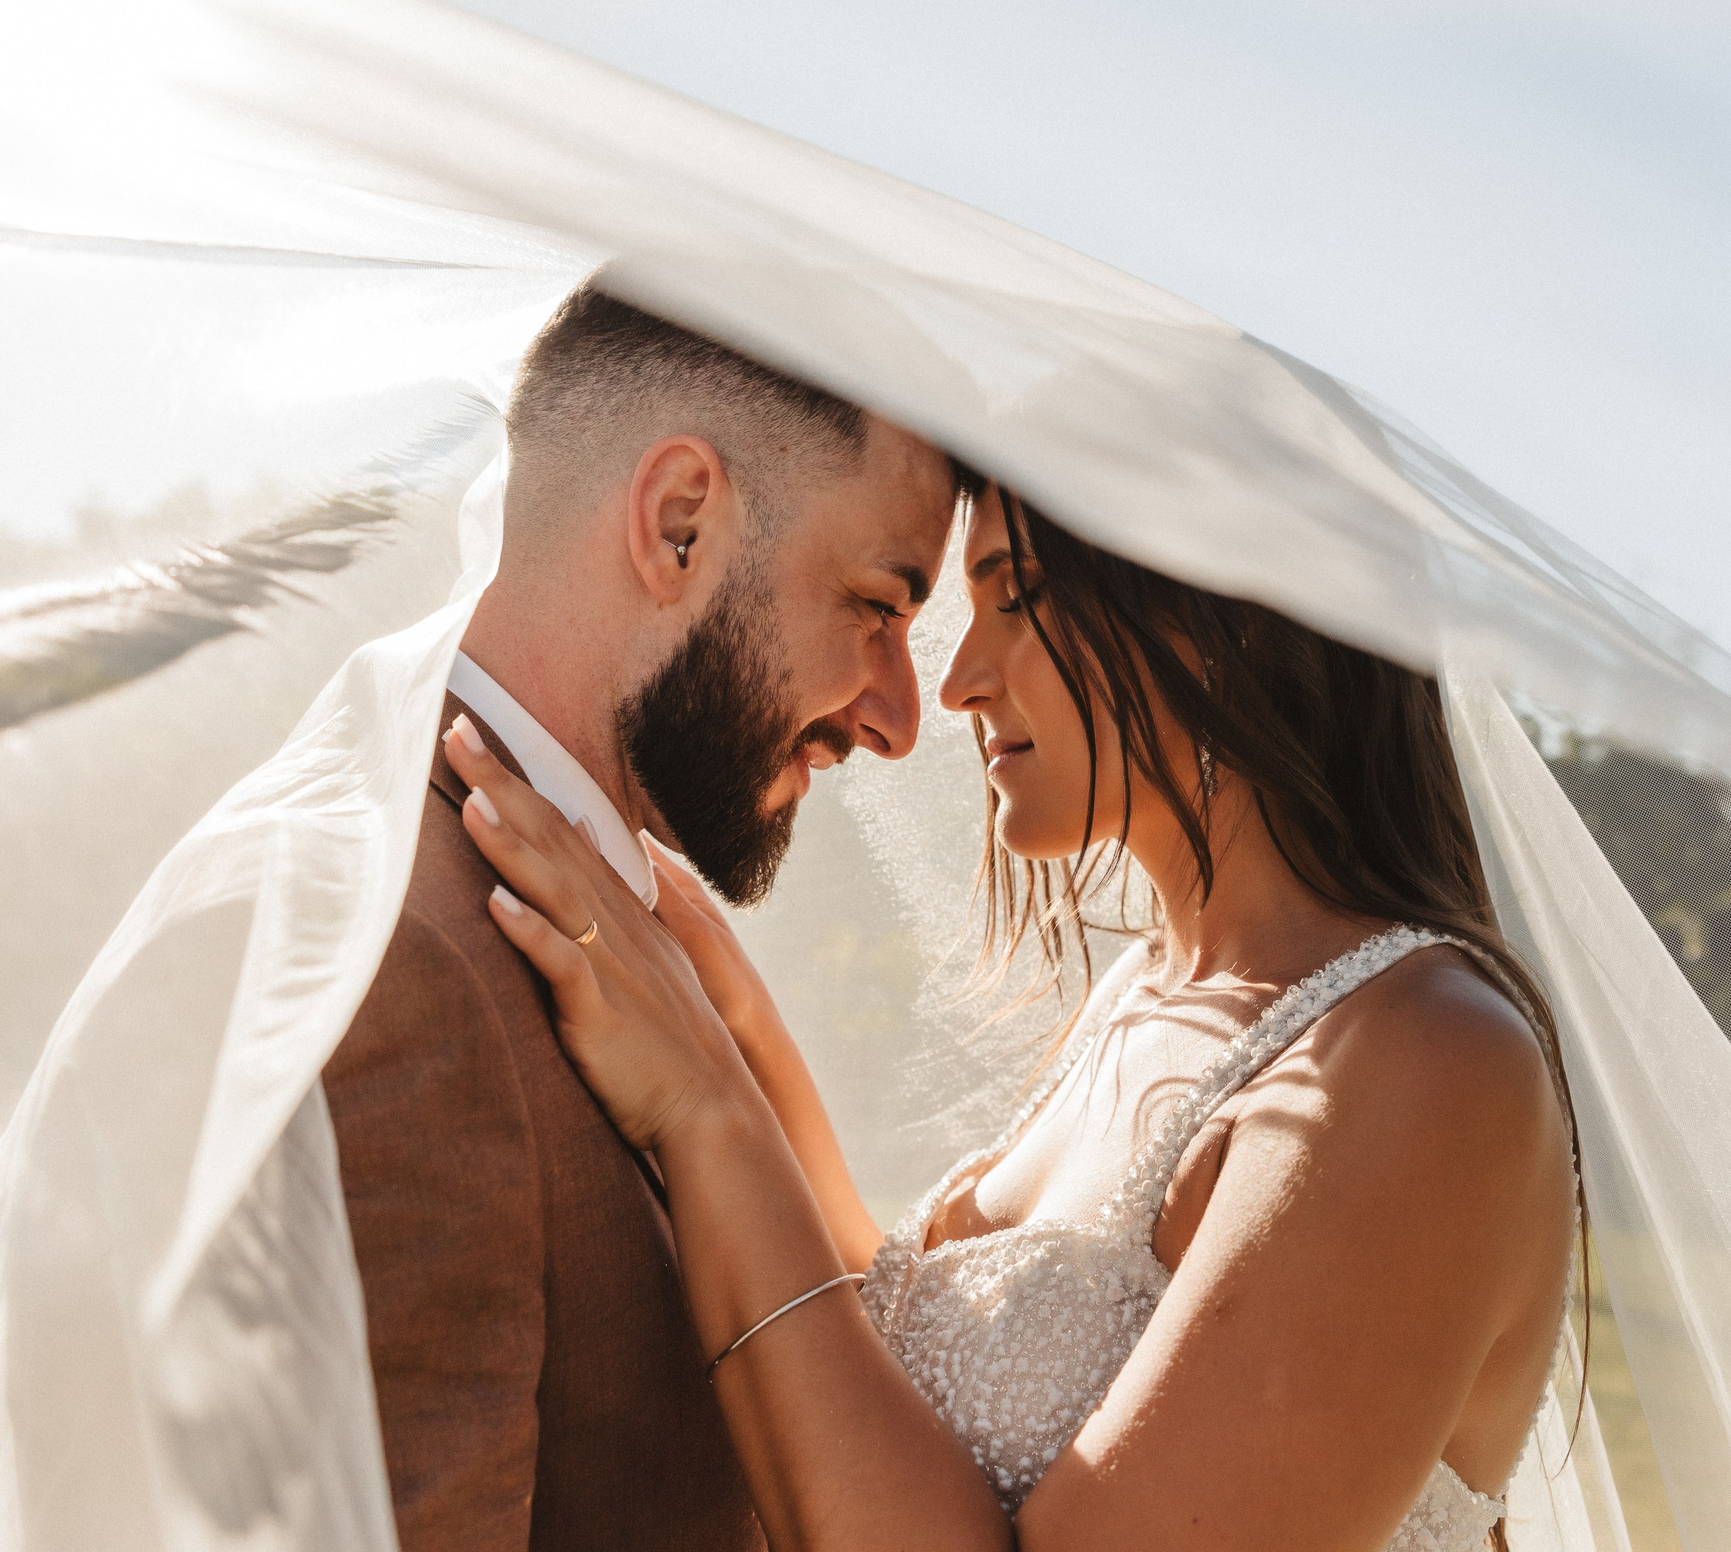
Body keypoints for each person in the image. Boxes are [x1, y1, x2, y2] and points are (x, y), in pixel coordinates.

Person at [455, 481, 1585, 1550]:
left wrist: (710, 1115)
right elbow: (913, 1383)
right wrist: (733, 1027)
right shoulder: (1146, 997)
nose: (957, 683)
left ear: (1219, 611)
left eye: (1020, 598)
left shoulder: (1420, 1070)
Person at [322, 287, 961, 1551]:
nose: (896, 719)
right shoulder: (407, 958)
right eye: (879, 607)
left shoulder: (640, 944)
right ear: (680, 525)